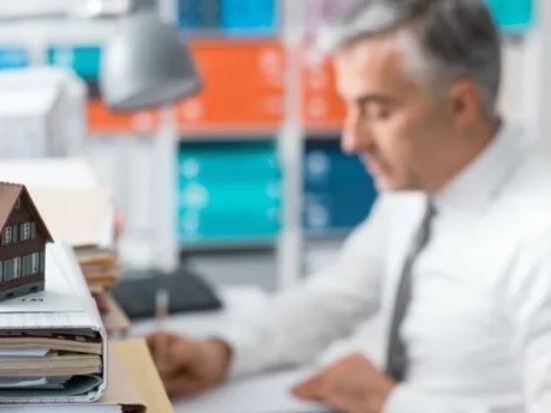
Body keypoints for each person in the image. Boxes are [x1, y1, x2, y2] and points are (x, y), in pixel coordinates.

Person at [147, 1, 551, 412]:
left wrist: (390, 403)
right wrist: (223, 352)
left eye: (378, 112)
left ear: (461, 105)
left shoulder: (538, 236)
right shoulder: (420, 186)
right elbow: (334, 298)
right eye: (350, 108)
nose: (351, 140)